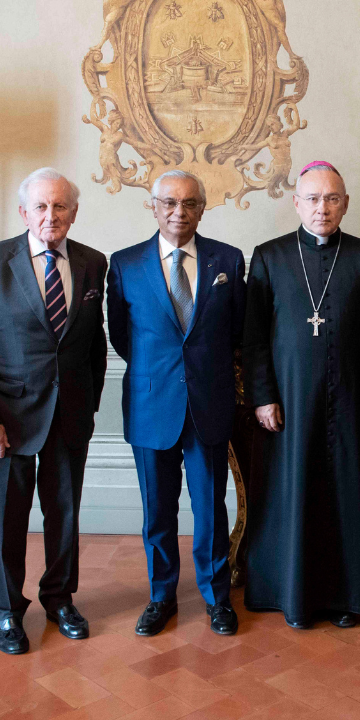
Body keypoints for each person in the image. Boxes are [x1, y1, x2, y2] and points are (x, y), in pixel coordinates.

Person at [0, 168, 108, 655]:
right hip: (7, 418)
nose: (51, 216)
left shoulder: (92, 263)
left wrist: (88, 407)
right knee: (5, 518)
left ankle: (60, 598)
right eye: (41, 207)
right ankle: (6, 610)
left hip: (70, 414)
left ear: (74, 212)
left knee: (63, 512)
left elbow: (94, 345)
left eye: (60, 206)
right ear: (24, 213)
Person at [242, 161, 360, 628]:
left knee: (349, 493)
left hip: (351, 402)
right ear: (296, 203)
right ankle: (293, 596)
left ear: (345, 204)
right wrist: (263, 396)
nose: (321, 208)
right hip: (289, 404)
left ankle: (351, 597)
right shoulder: (269, 256)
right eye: (312, 198)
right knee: (293, 492)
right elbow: (254, 337)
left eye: (331, 199)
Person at [106, 170, 246, 637]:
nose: (178, 212)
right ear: (153, 206)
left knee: (210, 508)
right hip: (151, 405)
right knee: (158, 510)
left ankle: (216, 598)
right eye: (169, 203)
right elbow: (123, 338)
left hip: (209, 402)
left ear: (202, 208)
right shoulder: (124, 264)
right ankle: (161, 596)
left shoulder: (228, 260)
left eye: (189, 204)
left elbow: (237, 332)